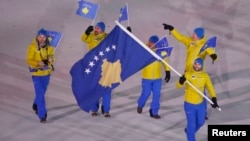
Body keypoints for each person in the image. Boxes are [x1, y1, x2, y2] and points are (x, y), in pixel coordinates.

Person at [162, 23, 218, 119]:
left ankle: (202, 112)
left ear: (199, 36)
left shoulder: (204, 45)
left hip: (198, 73)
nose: (193, 35)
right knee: (189, 90)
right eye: (193, 34)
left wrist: (214, 56)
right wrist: (172, 29)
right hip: (188, 72)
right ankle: (191, 108)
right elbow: (181, 38)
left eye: (195, 35)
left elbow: (210, 51)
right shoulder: (190, 41)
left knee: (201, 92)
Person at [176, 58, 219, 141]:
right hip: (189, 104)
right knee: (191, 124)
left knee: (201, 122)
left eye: (198, 64)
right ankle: (191, 136)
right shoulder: (187, 74)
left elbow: (210, 87)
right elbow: (178, 86)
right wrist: (181, 81)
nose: (196, 66)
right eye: (195, 64)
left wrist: (214, 98)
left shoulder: (205, 76)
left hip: (200, 103)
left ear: (201, 65)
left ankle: (189, 132)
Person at [81, 21, 111, 117]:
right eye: (95, 28)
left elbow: (117, 40)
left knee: (106, 88)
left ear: (102, 29)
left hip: (105, 66)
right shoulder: (91, 37)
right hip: (94, 66)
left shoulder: (107, 37)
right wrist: (86, 33)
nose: (96, 30)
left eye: (98, 28)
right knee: (95, 87)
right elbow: (84, 39)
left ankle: (106, 109)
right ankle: (94, 108)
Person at [136, 35, 171, 119]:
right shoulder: (144, 50)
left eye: (154, 43)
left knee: (156, 95)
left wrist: (167, 71)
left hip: (157, 79)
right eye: (150, 42)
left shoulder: (160, 52)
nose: (151, 44)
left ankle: (153, 111)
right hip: (146, 78)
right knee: (146, 93)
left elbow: (165, 61)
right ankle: (140, 104)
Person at [26, 28, 55, 123]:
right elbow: (29, 60)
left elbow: (52, 58)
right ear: (37, 37)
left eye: (43, 37)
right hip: (36, 74)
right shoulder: (32, 47)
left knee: (42, 92)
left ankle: (35, 104)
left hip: (46, 74)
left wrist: (50, 59)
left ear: (46, 38)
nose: (42, 39)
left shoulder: (50, 47)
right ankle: (42, 115)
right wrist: (38, 63)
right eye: (40, 37)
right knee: (40, 93)